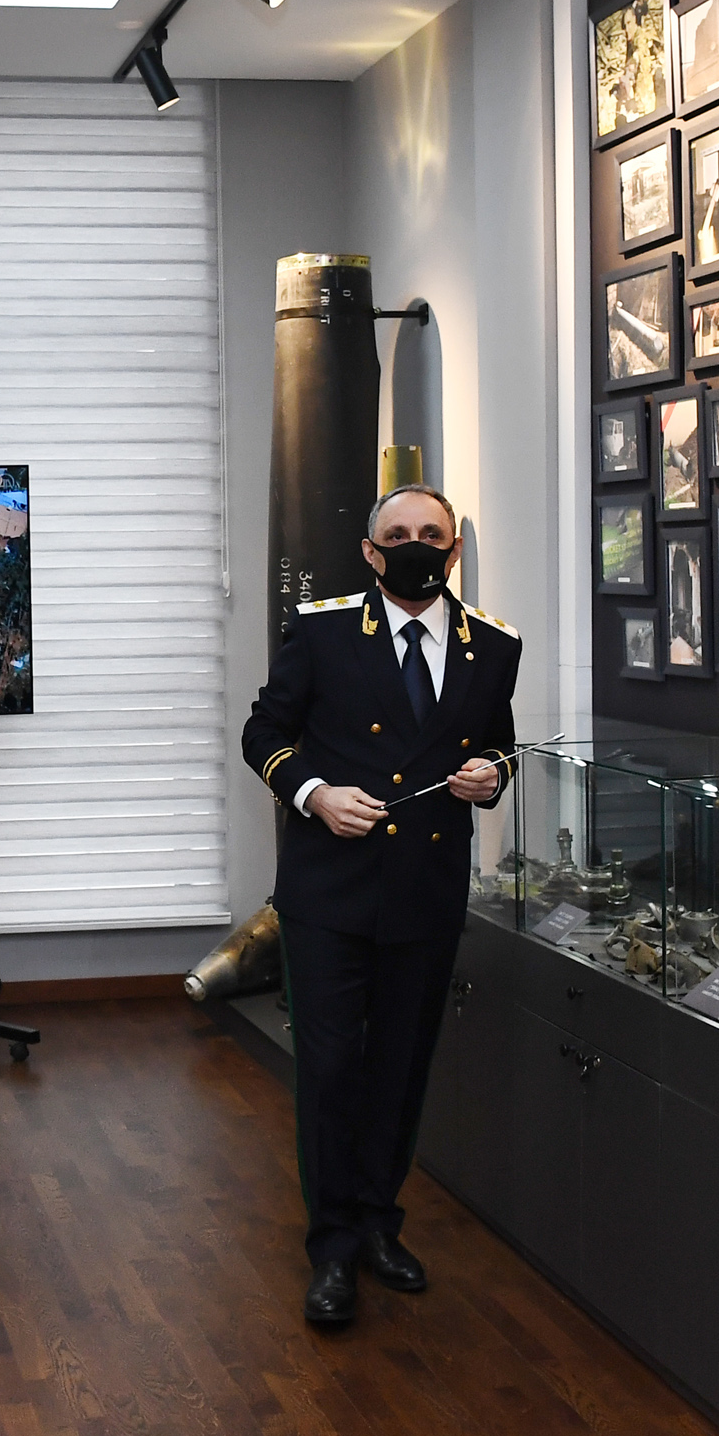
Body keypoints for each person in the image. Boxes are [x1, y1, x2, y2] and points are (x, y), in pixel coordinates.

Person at [240, 483, 521, 1326]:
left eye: (430, 534)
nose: (414, 547)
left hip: (424, 894)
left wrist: (492, 776)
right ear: (369, 552)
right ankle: (330, 1247)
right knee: (330, 1072)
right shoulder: (323, 631)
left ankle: (376, 1224)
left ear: (453, 549)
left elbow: (499, 743)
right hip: (329, 892)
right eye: (396, 535)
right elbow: (263, 733)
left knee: (399, 1069)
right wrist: (314, 794)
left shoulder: (491, 645)